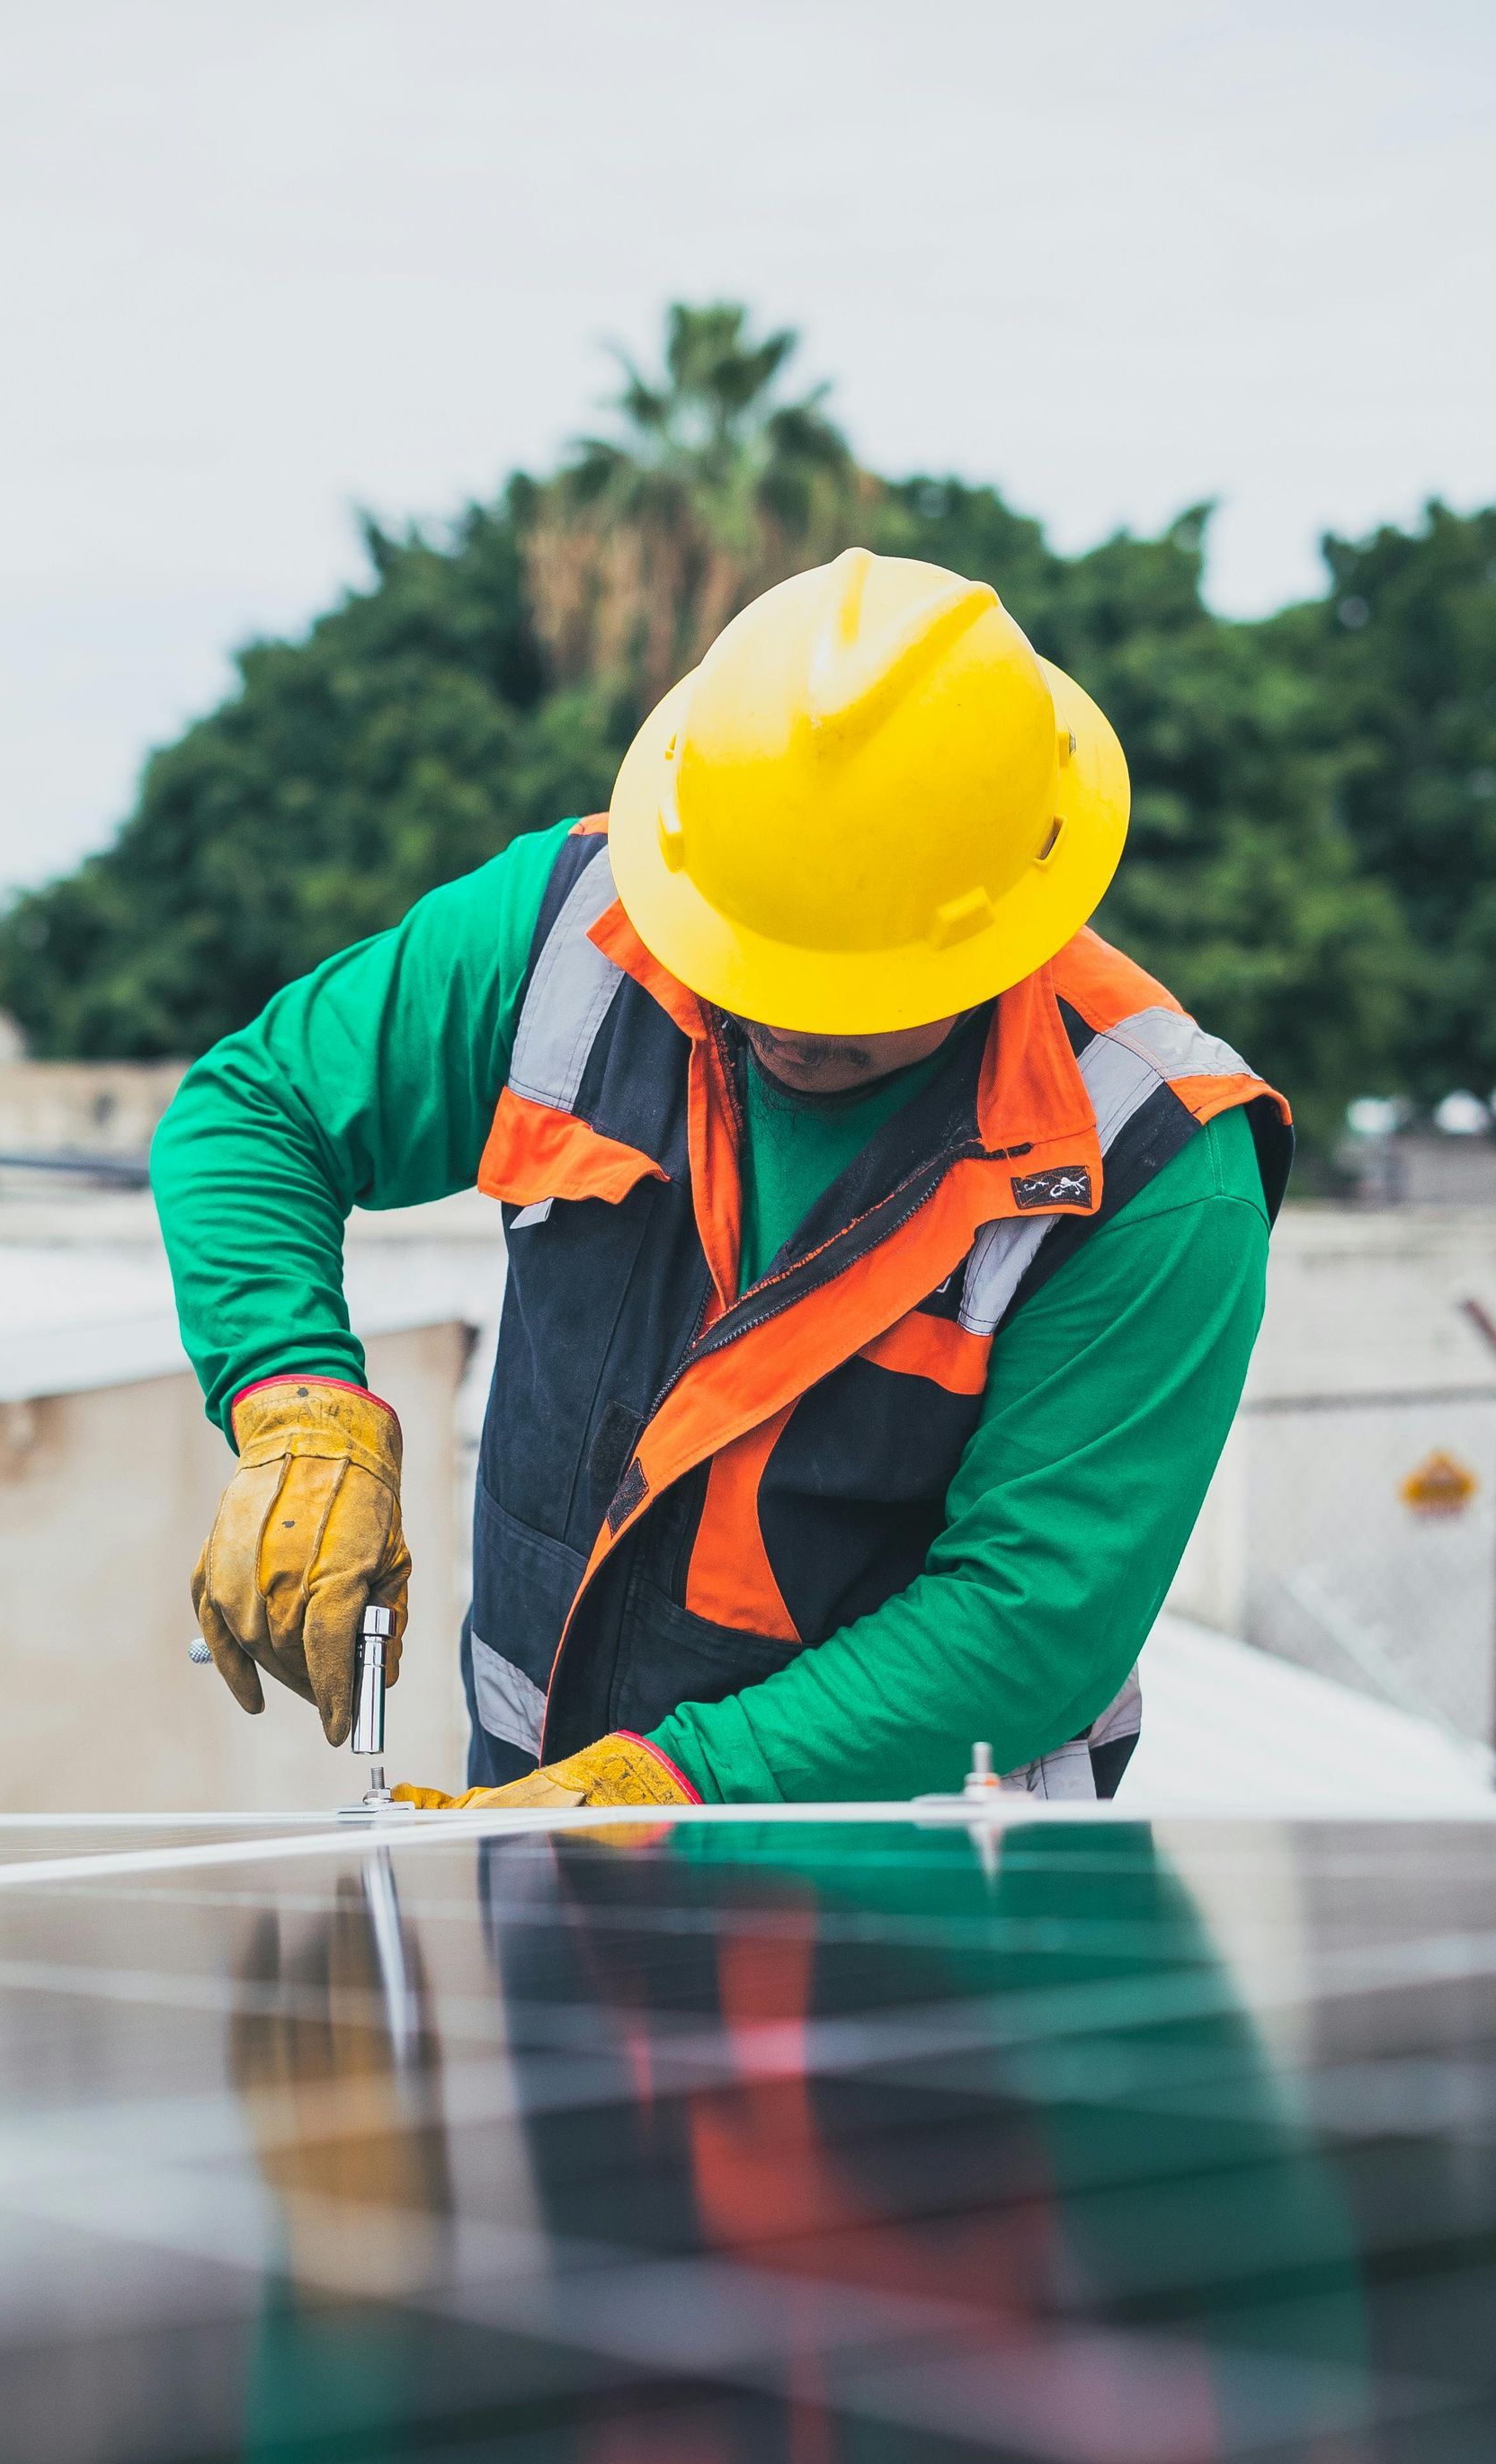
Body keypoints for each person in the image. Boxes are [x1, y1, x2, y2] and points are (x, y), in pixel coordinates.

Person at [153, 547, 1290, 1811]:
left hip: (909, 1927)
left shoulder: (1155, 1160)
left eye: (853, 991)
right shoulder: (573, 932)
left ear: (1000, 924)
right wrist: (296, 1405)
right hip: (535, 1852)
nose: (790, 1024)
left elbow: (1030, 1620)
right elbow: (260, 1106)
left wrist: (669, 1787)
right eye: (756, 965)